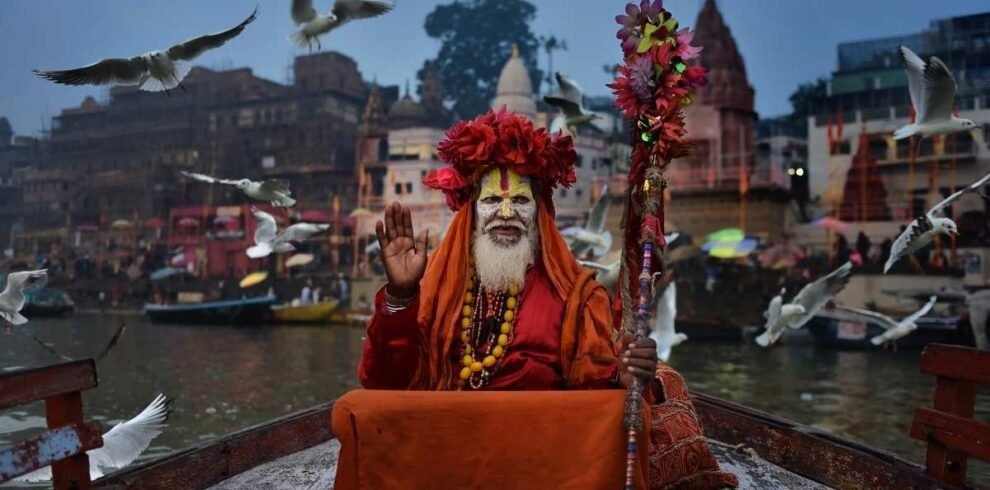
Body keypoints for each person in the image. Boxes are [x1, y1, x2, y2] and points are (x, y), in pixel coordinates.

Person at [341, 110, 734, 488]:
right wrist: (401, 295)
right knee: (359, 407)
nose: (506, 213)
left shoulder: (576, 295)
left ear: (539, 214)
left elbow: (593, 389)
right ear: (472, 214)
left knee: (621, 409)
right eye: (493, 201)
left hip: (543, 453)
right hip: (448, 445)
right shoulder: (436, 288)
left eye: (521, 202)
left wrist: (623, 375)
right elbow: (382, 382)